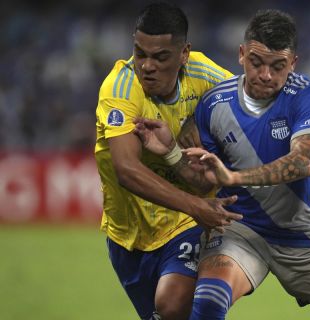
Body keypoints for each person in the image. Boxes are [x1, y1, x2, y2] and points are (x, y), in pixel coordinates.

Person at [134, 8, 310, 320]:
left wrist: (232, 177)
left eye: (278, 66)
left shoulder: (307, 94)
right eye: (257, 62)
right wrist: (170, 152)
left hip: (305, 236)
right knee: (208, 300)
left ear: (293, 64)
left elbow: (302, 163)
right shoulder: (215, 103)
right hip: (241, 230)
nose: (266, 74)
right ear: (242, 55)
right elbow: (203, 182)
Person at [94, 3, 243, 320]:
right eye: (140, 53)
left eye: (160, 57)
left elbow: (251, 102)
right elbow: (126, 170)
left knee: (173, 304)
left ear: (184, 53)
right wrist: (195, 204)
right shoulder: (120, 89)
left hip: (187, 224)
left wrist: (202, 119)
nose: (147, 66)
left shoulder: (204, 76)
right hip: (127, 234)